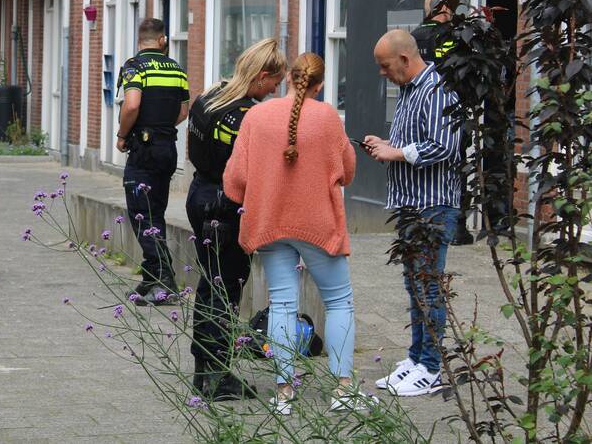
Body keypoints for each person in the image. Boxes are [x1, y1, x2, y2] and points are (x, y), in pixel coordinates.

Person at [224, 52, 370, 414]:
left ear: (288, 76)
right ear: (319, 84)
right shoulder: (328, 118)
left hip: (270, 223)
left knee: (283, 305)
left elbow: (235, 180)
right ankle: (343, 389)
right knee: (339, 302)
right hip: (317, 224)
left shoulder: (256, 117)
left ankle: (284, 393)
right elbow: (347, 171)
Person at [364, 30, 462, 397]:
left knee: (428, 286)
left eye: (385, 66)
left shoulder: (436, 90)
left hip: (432, 206)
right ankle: (417, 358)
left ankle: (433, 367)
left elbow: (445, 146)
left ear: (405, 59)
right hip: (410, 204)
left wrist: (397, 153)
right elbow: (415, 142)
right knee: (414, 284)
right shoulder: (409, 90)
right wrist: (388, 145)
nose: (382, 73)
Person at [186, 39, 286, 401]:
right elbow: (251, 173)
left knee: (208, 286)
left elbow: (193, 147)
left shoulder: (209, 95)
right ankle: (216, 377)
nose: (276, 89)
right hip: (225, 208)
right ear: (261, 76)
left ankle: (205, 369)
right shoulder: (248, 116)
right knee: (224, 291)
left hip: (198, 194)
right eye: (274, 82)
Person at [116, 18, 189, 305]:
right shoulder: (177, 69)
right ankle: (151, 276)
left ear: (140, 40)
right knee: (155, 212)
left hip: (143, 151)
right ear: (163, 40)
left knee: (141, 215)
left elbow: (132, 104)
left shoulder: (135, 66)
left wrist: (123, 135)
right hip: (167, 149)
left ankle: (165, 280)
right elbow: (183, 111)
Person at [412, 0, 473, 246]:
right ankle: (457, 226)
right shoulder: (452, 36)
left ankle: (422, 219)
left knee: (423, 159)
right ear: (444, 8)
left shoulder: (414, 36)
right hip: (451, 110)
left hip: (419, 109)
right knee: (456, 164)